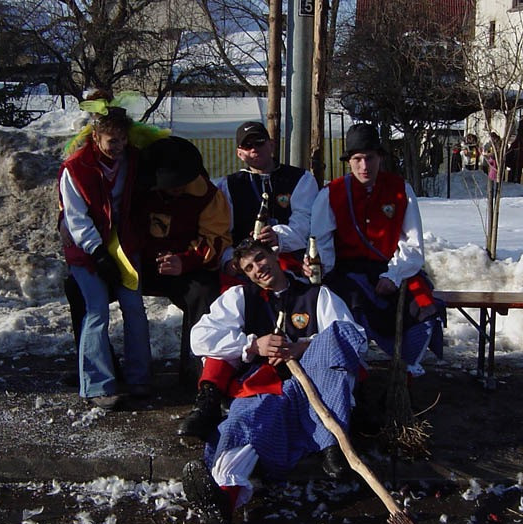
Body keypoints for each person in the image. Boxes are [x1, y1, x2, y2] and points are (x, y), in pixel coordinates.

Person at [181, 239, 367, 524]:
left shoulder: (316, 294)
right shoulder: (242, 297)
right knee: (245, 421)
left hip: (314, 384)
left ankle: (332, 446)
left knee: (337, 334)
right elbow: (200, 337)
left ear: (274, 254)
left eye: (260, 258)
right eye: (249, 267)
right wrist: (253, 345)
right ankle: (223, 502)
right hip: (265, 384)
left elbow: (352, 337)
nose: (258, 268)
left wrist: (303, 346)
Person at [310, 123, 443, 380]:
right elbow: (322, 244)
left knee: (420, 304)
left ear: (380, 157)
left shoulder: (400, 189)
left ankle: (405, 372)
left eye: (370, 158)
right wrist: (319, 268)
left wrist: (393, 275)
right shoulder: (331, 194)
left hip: (391, 267)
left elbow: (412, 245)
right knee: (348, 305)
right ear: (349, 161)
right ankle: (352, 373)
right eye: (357, 159)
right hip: (347, 272)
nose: (364, 166)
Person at [58, 92, 154, 409]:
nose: (119, 146)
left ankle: (139, 377)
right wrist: (97, 253)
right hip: (87, 250)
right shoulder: (76, 168)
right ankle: (97, 385)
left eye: (123, 139)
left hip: (125, 245)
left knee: (134, 308)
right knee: (97, 309)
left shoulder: (132, 160)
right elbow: (75, 217)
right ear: (96, 137)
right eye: (112, 140)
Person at [134, 136, 232, 382]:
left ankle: (198, 372)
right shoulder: (136, 190)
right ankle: (99, 368)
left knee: (204, 292)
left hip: (184, 270)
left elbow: (217, 239)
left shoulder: (208, 195)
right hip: (137, 265)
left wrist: (185, 261)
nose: (177, 188)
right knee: (81, 288)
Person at [218, 121, 318, 273]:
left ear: (271, 145)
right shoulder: (229, 185)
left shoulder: (300, 178)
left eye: (259, 142)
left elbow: (305, 222)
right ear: (240, 153)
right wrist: (229, 261)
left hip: (290, 260)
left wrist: (279, 237)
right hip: (247, 264)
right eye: (247, 145)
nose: (254, 149)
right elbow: (223, 232)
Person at [483, 131, 503, 205]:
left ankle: (494, 186)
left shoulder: (498, 143)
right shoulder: (493, 144)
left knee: (494, 175)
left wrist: (490, 155)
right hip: (493, 161)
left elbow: (497, 153)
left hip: (496, 162)